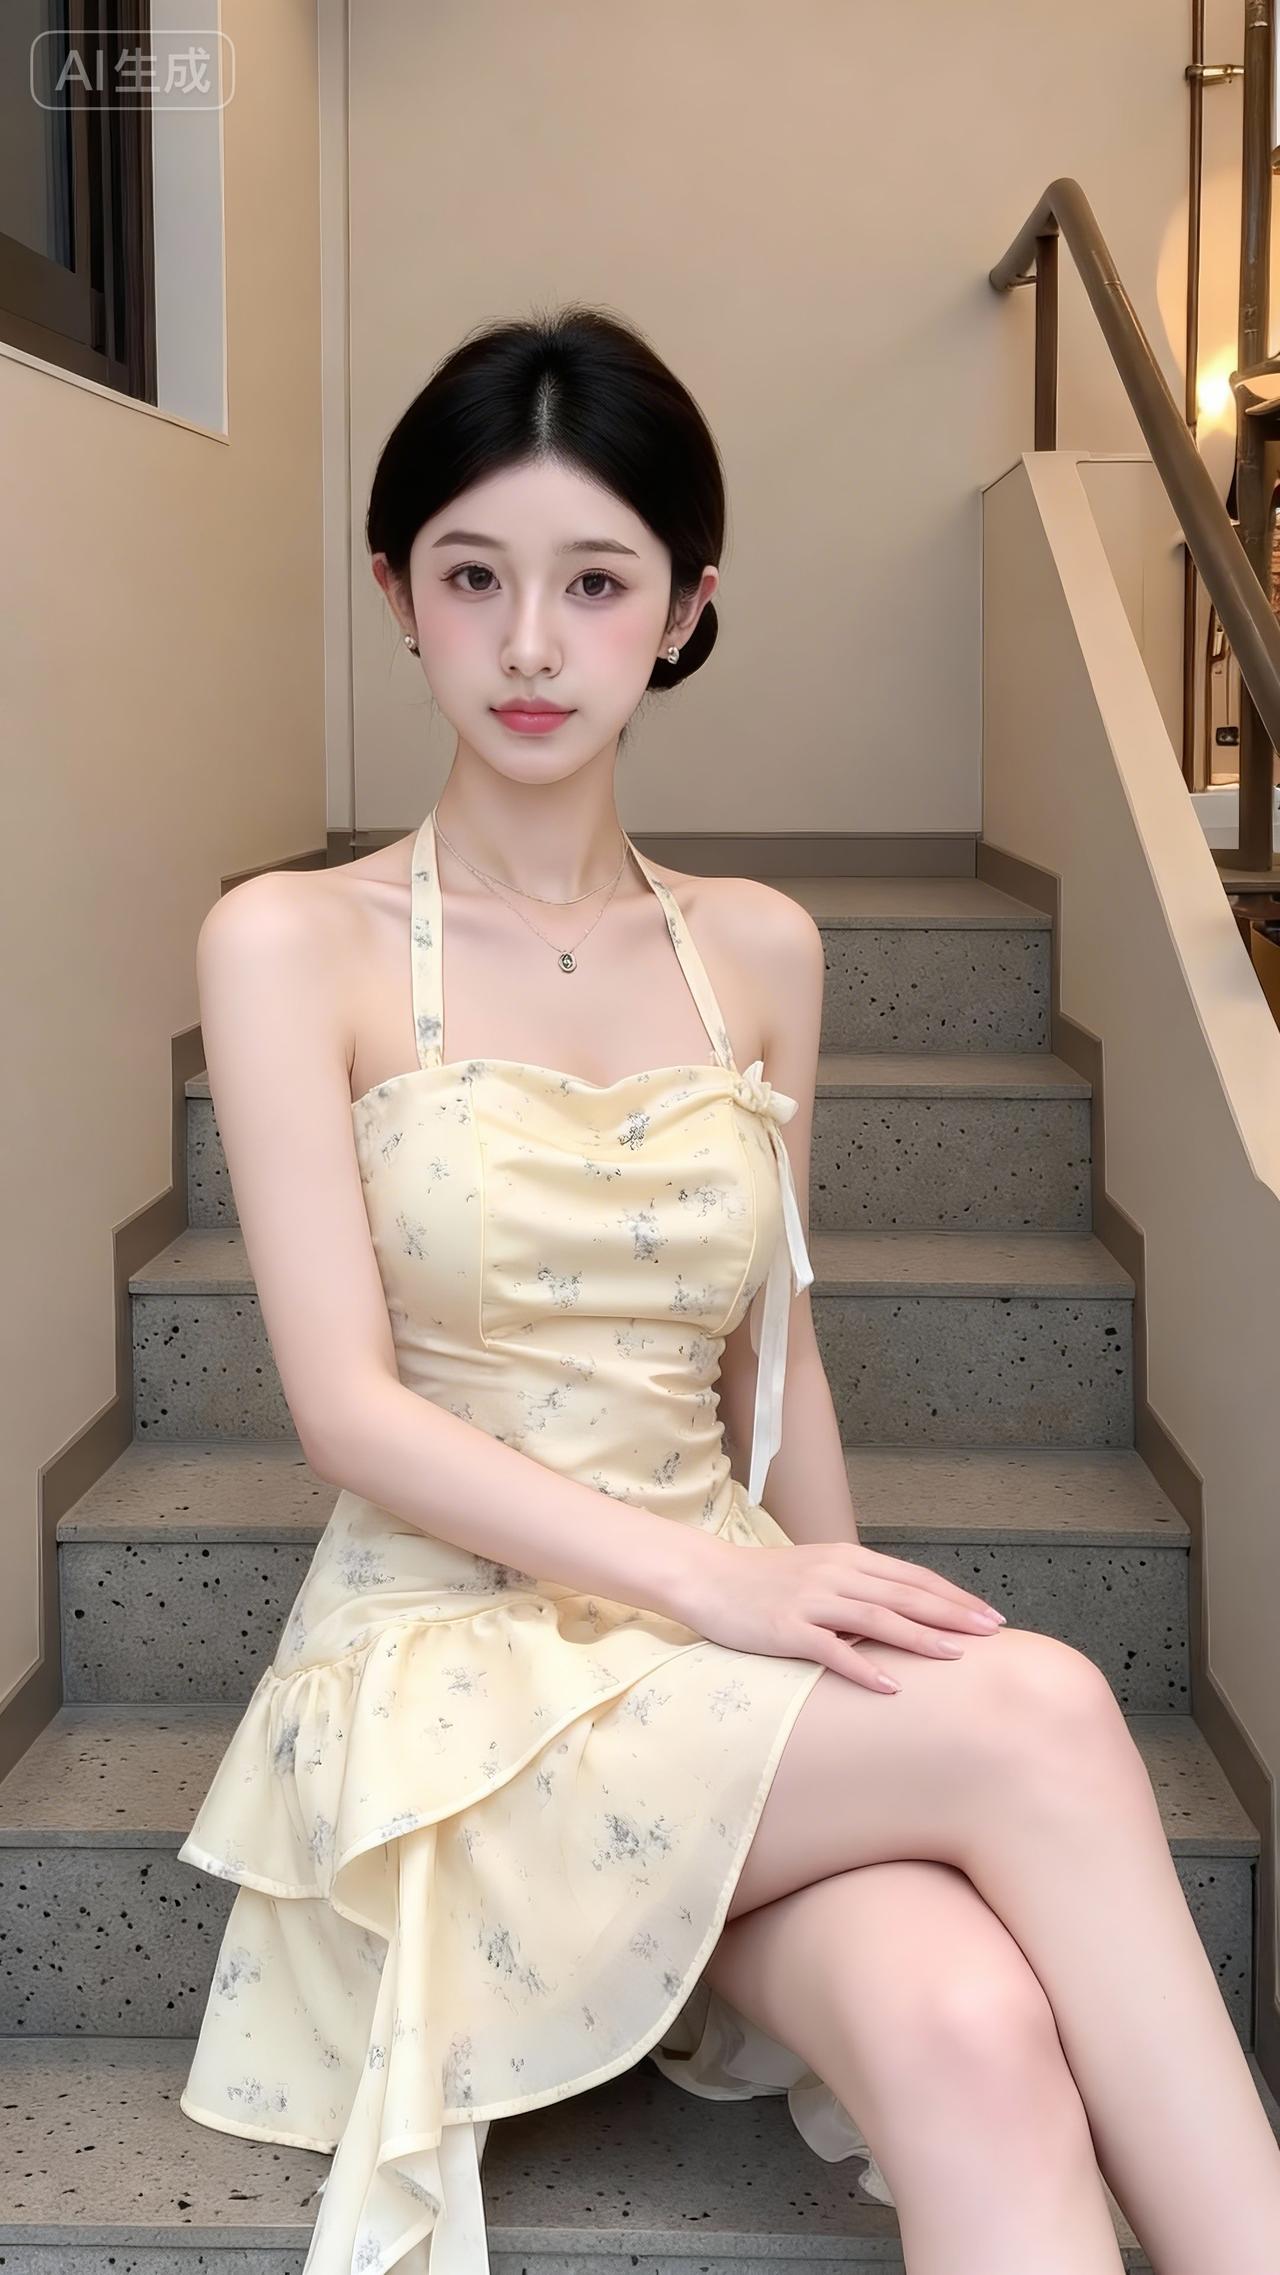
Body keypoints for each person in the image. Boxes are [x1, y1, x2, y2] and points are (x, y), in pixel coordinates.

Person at [175, 306, 1280, 2275]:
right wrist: (729, 1592)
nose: (532, 643)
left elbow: (777, 1352)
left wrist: (839, 1610)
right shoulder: (288, 941)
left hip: (714, 1659)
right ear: (398, 597)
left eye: (596, 583)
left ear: (685, 608)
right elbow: (347, 1414)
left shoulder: (758, 949)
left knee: (974, 2031)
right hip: (457, 1680)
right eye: (474, 578)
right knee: (1037, 1711)